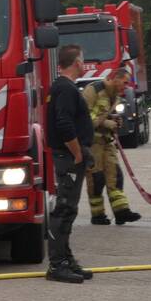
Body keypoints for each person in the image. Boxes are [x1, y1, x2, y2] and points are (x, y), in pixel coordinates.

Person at [45, 44, 95, 284]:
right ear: (77, 62)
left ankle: (66, 258)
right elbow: (64, 123)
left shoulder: (64, 88)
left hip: (70, 156)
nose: (84, 64)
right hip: (68, 158)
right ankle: (57, 265)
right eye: (82, 60)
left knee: (70, 209)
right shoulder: (65, 89)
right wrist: (77, 153)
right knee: (64, 209)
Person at [82, 68, 142, 226]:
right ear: (115, 78)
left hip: (107, 142)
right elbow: (83, 117)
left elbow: (105, 114)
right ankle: (98, 215)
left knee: (115, 175)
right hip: (93, 143)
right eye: (125, 82)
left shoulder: (114, 96)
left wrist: (115, 119)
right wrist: (105, 122)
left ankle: (121, 212)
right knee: (96, 179)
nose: (126, 86)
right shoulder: (93, 90)